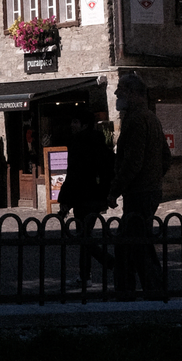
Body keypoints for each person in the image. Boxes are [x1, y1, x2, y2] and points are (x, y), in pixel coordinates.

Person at [108, 74, 171, 295]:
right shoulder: (151, 118)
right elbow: (165, 157)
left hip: (139, 193)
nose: (116, 94)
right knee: (134, 244)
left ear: (133, 93)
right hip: (149, 190)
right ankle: (144, 292)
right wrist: (154, 178)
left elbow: (132, 163)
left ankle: (141, 293)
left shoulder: (135, 120)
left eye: (121, 89)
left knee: (135, 245)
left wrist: (115, 190)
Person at [58, 109, 115, 286]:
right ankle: (85, 275)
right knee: (85, 235)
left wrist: (65, 201)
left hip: (82, 197)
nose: (72, 125)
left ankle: (108, 263)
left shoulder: (78, 143)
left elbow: (74, 173)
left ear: (84, 124)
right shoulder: (100, 142)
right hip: (97, 195)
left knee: (83, 236)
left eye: (75, 122)